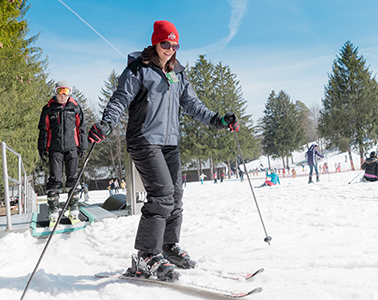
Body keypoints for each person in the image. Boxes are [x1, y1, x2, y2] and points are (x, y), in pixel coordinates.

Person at [87, 20, 239, 281]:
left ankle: (167, 247)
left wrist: (218, 120)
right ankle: (146, 254)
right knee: (162, 193)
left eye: (174, 45)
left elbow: (192, 104)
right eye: (165, 44)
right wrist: (107, 124)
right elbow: (120, 99)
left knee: (176, 194)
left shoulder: (178, 73)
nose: (170, 49)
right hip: (144, 140)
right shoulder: (138, 70)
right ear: (155, 42)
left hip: (170, 143)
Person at [38, 80, 87, 224]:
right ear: (56, 92)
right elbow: (43, 130)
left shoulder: (75, 108)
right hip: (55, 149)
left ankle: (73, 207)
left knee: (73, 178)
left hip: (72, 148)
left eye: (67, 91)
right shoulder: (48, 109)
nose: (63, 95)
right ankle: (53, 209)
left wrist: (83, 147)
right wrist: (42, 148)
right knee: (55, 179)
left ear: (70, 93)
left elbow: (81, 128)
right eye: (60, 91)